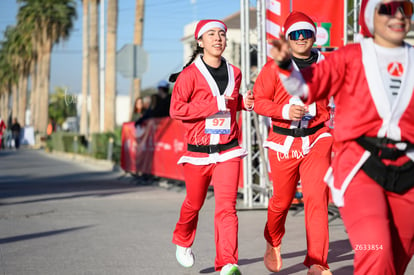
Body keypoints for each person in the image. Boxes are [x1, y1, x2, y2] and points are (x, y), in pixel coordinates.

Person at [269, 0, 414, 274]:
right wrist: (286, 65)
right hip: (361, 167)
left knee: (397, 257)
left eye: (404, 8)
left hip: (408, 170)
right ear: (368, 17)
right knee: (375, 249)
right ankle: (314, 259)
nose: (397, 15)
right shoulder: (348, 56)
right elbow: (305, 85)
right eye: (386, 8)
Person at [169, 19, 254, 275]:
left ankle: (227, 263)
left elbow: (230, 103)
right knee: (194, 204)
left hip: (228, 149)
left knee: (227, 208)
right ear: (200, 41)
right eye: (211, 34)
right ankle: (183, 239)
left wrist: (243, 102)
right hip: (198, 153)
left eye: (221, 34)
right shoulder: (189, 75)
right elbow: (176, 110)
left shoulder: (236, 72)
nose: (218, 38)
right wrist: (212, 104)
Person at [253, 11, 333, 275]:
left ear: (314, 37)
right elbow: (259, 101)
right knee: (282, 201)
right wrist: (285, 111)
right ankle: (273, 239)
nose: (301, 38)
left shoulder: (327, 64)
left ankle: (317, 261)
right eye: (295, 34)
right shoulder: (274, 66)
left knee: (316, 199)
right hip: (283, 141)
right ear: (288, 39)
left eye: (306, 33)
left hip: (317, 137)